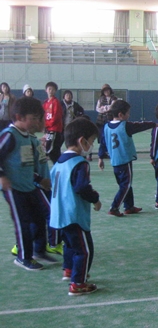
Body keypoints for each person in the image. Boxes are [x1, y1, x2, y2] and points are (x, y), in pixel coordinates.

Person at [50, 117, 101, 295]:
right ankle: (78, 283)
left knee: (69, 245)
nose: (92, 145)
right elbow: (81, 187)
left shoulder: (58, 163)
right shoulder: (80, 164)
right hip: (74, 215)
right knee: (84, 250)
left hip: (58, 215)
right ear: (82, 141)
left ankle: (69, 270)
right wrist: (95, 199)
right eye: (92, 141)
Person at [0, 97, 51, 271]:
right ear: (19, 117)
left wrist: (39, 180)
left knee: (38, 218)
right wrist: (2, 176)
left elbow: (26, 165)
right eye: (34, 118)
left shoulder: (28, 138)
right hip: (14, 190)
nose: (37, 122)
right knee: (23, 222)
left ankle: (39, 251)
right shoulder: (9, 136)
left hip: (30, 187)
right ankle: (23, 257)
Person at [98, 99, 158, 216]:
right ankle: (114, 207)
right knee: (126, 185)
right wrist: (154, 124)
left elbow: (103, 143)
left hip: (114, 162)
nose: (129, 115)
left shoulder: (106, 127)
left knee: (125, 184)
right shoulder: (125, 126)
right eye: (128, 113)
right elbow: (140, 126)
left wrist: (100, 158)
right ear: (120, 115)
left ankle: (129, 206)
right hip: (124, 161)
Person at [43, 81, 64, 163]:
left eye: (53, 89)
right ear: (46, 90)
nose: (51, 91)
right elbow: (43, 115)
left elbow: (56, 117)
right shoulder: (45, 103)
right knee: (53, 151)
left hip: (54, 130)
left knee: (52, 150)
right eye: (49, 89)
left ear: (55, 91)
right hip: (49, 130)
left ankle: (59, 165)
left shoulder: (56, 102)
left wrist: (46, 124)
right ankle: (59, 165)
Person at [95, 84, 118, 151]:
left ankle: (109, 150)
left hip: (110, 120)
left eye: (107, 90)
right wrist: (105, 108)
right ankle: (102, 152)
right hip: (101, 121)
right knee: (102, 136)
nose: (106, 92)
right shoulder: (100, 99)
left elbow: (112, 107)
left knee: (110, 136)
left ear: (110, 90)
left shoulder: (114, 98)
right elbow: (97, 108)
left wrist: (104, 108)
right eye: (105, 91)